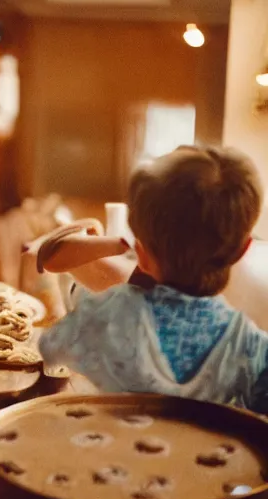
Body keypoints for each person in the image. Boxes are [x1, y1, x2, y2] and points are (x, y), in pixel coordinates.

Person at [35, 146, 268, 411]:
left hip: (108, 447)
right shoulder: (250, 348)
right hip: (202, 452)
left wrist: (121, 244)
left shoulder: (109, 310)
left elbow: (51, 347)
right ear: (243, 249)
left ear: (142, 256)